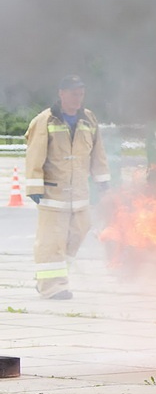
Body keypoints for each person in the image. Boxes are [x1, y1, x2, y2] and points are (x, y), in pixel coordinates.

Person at [24, 74, 110, 300]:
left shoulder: (88, 119)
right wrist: (34, 186)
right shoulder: (45, 120)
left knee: (78, 233)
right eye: (73, 93)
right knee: (52, 240)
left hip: (80, 194)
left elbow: (98, 152)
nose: (77, 98)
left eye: (81, 93)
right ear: (61, 93)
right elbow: (34, 153)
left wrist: (103, 180)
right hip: (54, 192)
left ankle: (49, 279)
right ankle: (52, 287)